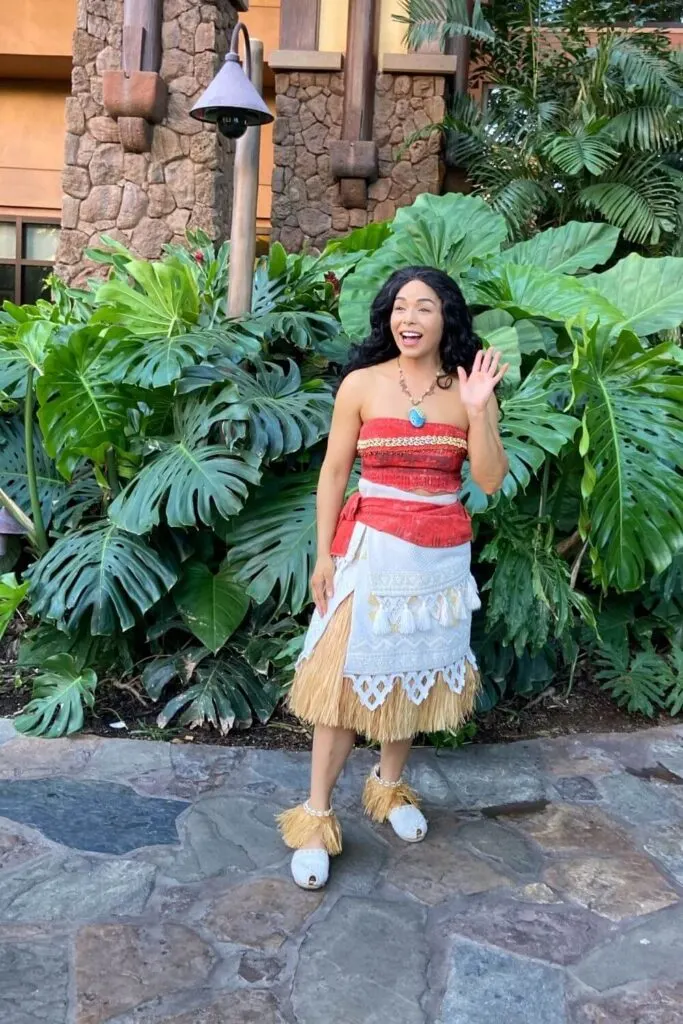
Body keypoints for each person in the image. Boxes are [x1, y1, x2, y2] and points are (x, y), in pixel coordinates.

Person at [276, 265, 509, 889]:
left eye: (424, 307)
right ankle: (317, 816)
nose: (409, 318)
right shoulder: (361, 384)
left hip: (437, 559)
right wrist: (323, 554)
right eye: (400, 307)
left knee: (409, 676)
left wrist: (479, 410)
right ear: (388, 317)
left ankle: (388, 787)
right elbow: (332, 473)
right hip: (368, 553)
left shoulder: (466, 388)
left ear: (446, 318)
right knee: (344, 686)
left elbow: (488, 480)